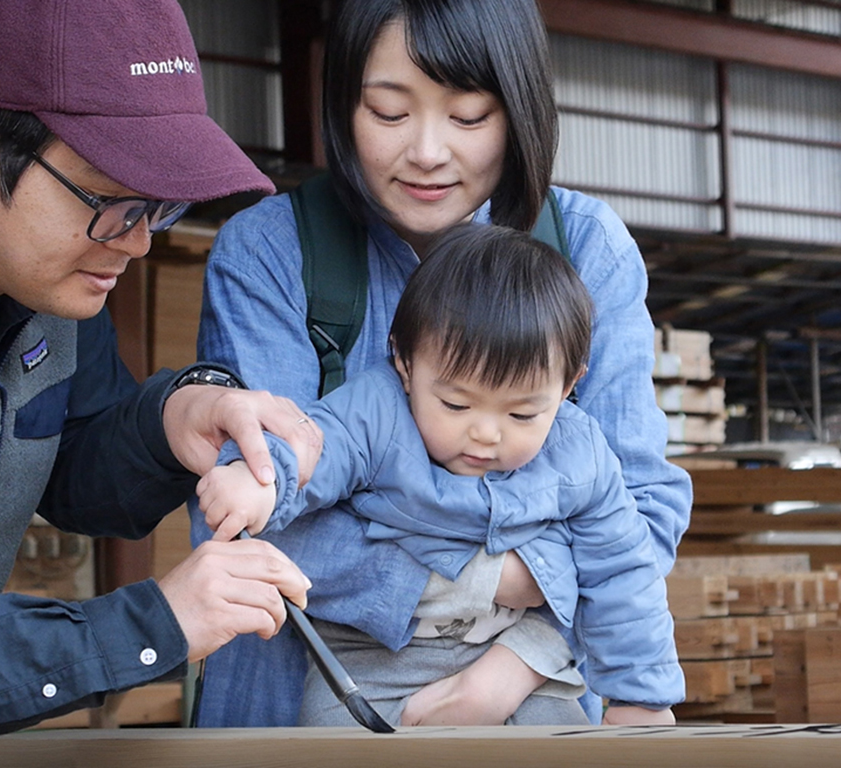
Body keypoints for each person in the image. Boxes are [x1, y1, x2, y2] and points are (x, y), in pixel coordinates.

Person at [0, 1, 323, 765]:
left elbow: (71, 461)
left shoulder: (43, 268)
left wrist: (176, 417)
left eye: (158, 206)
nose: (141, 241)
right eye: (112, 202)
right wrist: (155, 626)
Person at [191, 0, 693, 727]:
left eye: (468, 118)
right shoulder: (271, 254)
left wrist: (519, 658)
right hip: (307, 694)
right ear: (343, 103)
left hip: (534, 694)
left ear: (518, 108)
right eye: (389, 113)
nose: (427, 152)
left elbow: (639, 516)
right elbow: (252, 517)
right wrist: (499, 580)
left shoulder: (587, 249)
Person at [197, 226, 684, 727]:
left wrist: (641, 699)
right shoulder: (377, 410)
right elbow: (315, 447)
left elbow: (624, 573)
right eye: (455, 403)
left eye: (522, 415)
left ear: (567, 388)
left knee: (560, 751)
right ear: (404, 363)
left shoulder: (581, 455)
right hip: (372, 660)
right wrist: (258, 480)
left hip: (515, 658)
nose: (486, 434)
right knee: (337, 749)